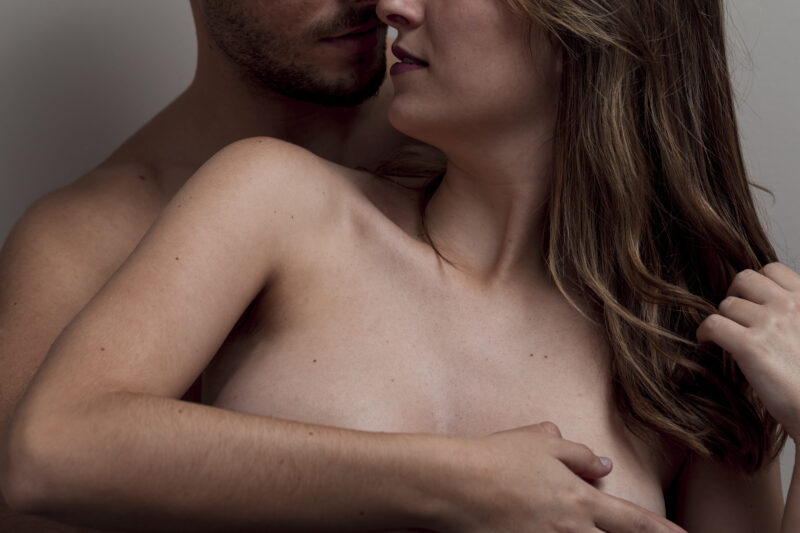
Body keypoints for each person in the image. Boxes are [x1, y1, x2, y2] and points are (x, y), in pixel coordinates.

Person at [2, 0, 794, 532]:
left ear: (585, 23)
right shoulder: (272, 200)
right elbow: (50, 448)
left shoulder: (684, 337)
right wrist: (458, 483)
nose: (391, 5)